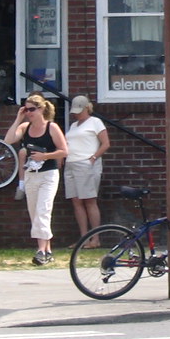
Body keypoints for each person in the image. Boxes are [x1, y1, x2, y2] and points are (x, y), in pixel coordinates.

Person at [4, 93, 68, 265]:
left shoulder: (52, 127)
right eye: (26, 109)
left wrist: (45, 156)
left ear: (41, 109)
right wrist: (18, 118)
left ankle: (40, 250)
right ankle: (47, 250)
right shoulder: (25, 127)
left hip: (48, 174)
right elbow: (8, 139)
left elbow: (64, 151)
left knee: (43, 211)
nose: (28, 112)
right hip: (31, 175)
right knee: (35, 213)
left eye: (31, 109)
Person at [65, 95, 111, 247]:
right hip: (71, 163)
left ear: (87, 108)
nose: (76, 113)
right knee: (76, 201)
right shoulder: (73, 126)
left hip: (86, 164)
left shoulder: (95, 122)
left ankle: (95, 238)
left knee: (90, 200)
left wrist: (92, 158)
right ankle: (84, 238)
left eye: (79, 110)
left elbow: (105, 143)